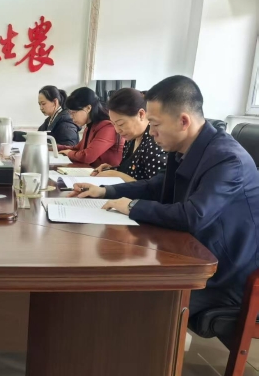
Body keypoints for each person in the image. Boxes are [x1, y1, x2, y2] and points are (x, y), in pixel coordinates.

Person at [71, 75, 259, 317]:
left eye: (155, 124)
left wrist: (132, 206)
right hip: (191, 254)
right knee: (116, 281)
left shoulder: (227, 159)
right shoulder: (184, 148)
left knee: (128, 299)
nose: (151, 132)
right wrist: (106, 191)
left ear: (183, 121)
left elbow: (193, 216)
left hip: (224, 276)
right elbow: (155, 186)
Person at [91, 88, 166, 182]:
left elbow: (157, 188)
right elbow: (132, 172)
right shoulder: (132, 138)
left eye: (121, 124)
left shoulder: (155, 143)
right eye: (114, 124)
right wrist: (112, 170)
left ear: (141, 114)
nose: (117, 130)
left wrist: (117, 175)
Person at [62, 87, 122, 168]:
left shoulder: (108, 127)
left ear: (88, 108)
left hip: (107, 173)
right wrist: (54, 147)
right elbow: (78, 148)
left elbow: (88, 156)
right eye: (70, 113)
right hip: (93, 171)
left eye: (74, 112)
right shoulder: (90, 126)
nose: (71, 117)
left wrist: (69, 153)